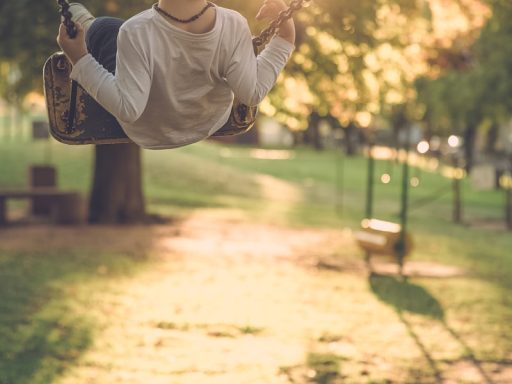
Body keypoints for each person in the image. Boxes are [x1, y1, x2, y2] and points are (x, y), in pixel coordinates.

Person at [57, 0, 295, 149]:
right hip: (207, 122)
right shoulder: (234, 24)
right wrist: (286, 39)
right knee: (112, 30)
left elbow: (128, 109)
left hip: (148, 130)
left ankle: (82, 19)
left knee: (103, 29)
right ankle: (84, 19)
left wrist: (80, 59)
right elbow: (252, 93)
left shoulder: (135, 31)